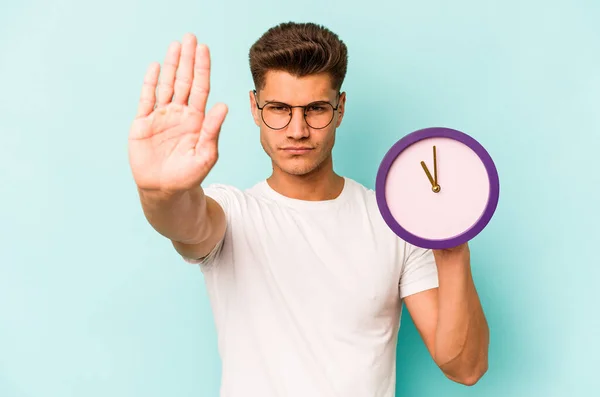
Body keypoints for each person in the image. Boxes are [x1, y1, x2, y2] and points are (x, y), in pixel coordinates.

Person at [128, 21, 489, 397]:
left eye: (315, 109)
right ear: (254, 107)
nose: (297, 129)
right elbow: (186, 222)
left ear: (340, 108)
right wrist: (159, 192)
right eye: (279, 108)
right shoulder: (234, 212)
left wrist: (452, 248)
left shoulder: (392, 223)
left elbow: (465, 367)